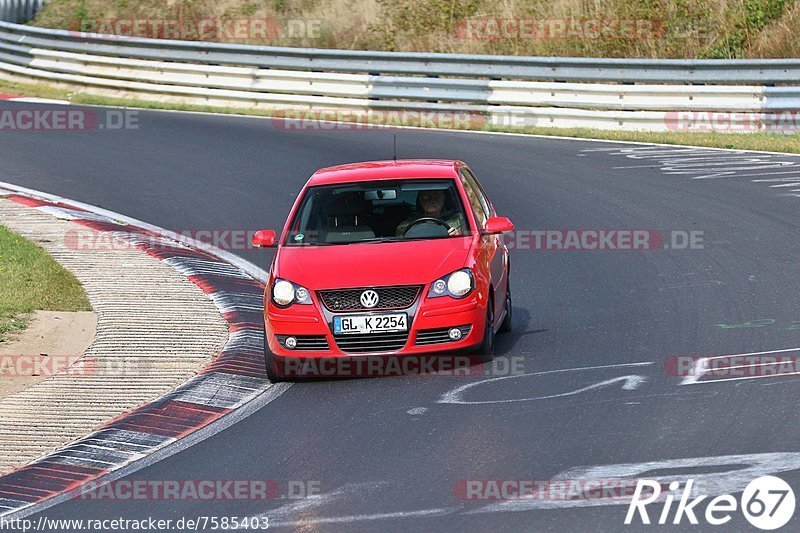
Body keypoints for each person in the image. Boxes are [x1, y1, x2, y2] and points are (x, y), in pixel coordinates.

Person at [395, 189, 464, 237]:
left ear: (444, 197)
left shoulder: (460, 220)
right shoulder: (405, 226)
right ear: (420, 199)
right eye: (426, 195)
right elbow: (400, 250)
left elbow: (468, 245)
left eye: (435, 194)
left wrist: (459, 237)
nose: (431, 199)